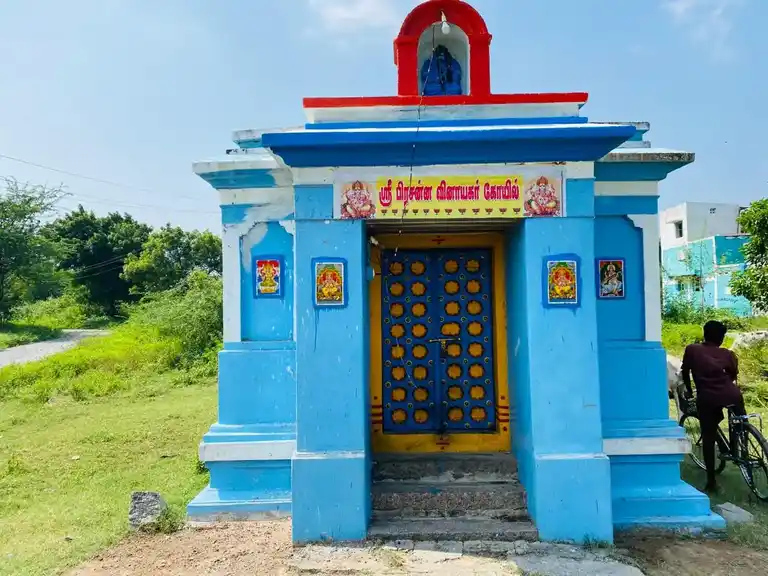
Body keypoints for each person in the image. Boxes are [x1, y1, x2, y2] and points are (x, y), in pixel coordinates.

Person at [681, 320, 746, 493]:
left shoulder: (692, 350)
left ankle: (711, 481)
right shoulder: (727, 354)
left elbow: (685, 371)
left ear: (705, 333)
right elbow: (732, 374)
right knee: (740, 422)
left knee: (708, 436)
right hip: (732, 393)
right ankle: (741, 449)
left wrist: (689, 390)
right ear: (721, 338)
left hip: (708, 397)